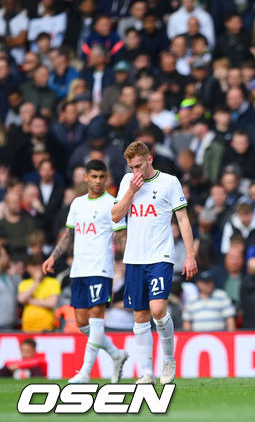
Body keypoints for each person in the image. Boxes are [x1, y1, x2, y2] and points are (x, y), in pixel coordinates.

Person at [111, 141, 197, 385]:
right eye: (131, 167)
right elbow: (116, 216)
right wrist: (130, 192)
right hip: (134, 258)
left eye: (139, 165)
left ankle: (168, 359)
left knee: (158, 310)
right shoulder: (128, 182)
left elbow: (183, 219)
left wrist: (190, 254)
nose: (135, 171)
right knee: (139, 314)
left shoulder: (169, 182)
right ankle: (146, 372)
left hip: (160, 256)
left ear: (150, 158)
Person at [42, 160, 129, 384]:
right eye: (94, 176)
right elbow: (69, 235)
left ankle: (85, 373)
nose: (98, 181)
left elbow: (121, 235)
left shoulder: (112, 204)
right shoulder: (77, 204)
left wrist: (129, 259)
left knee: (96, 318)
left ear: (106, 178)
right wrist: (53, 256)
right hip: (79, 269)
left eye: (102, 177)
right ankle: (117, 355)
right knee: (82, 324)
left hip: (101, 268)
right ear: (86, 178)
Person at [17, 255, 60, 332]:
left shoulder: (53, 282)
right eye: (33, 266)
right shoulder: (24, 283)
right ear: (27, 268)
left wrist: (30, 301)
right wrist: (36, 282)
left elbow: (51, 303)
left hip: (47, 328)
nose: (36, 268)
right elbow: (21, 299)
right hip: (28, 327)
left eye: (38, 265)